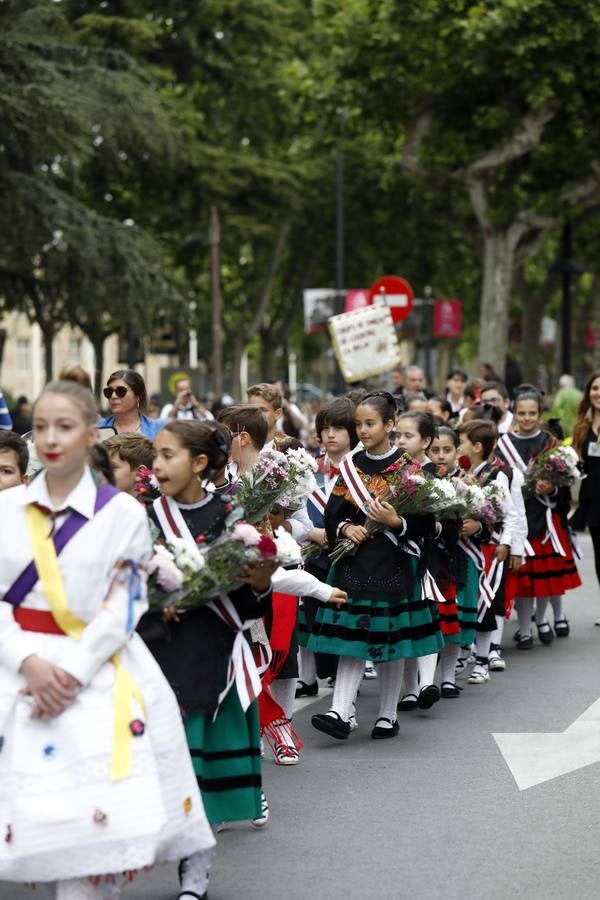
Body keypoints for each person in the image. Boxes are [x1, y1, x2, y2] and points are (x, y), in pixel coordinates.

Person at [0, 380, 214, 899]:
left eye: (66, 426)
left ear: (89, 433)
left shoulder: (121, 513)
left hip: (99, 679)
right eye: (43, 426)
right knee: (37, 831)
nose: (52, 438)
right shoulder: (5, 513)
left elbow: (125, 603)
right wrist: (28, 661)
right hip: (18, 673)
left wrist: (70, 672)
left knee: (92, 841)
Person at [139, 420, 275, 893]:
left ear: (199, 463)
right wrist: (159, 607)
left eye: (169, 455)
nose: (157, 464)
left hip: (213, 655)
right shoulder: (144, 516)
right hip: (158, 655)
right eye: (155, 455)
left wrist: (259, 582)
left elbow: (247, 598)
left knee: (199, 775)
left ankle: (195, 872)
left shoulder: (231, 514)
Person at [308, 391, 443, 741]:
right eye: (359, 424)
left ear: (389, 424)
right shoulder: (350, 467)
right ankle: (339, 709)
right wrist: (344, 528)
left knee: (388, 640)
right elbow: (333, 513)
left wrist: (396, 522)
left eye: (370, 424)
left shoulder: (410, 470)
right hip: (355, 562)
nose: (363, 431)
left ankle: (387, 714)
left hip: (394, 564)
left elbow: (427, 525)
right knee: (353, 638)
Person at [496, 389, 581, 646]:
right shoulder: (503, 444)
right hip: (517, 516)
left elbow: (564, 482)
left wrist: (552, 488)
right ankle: (524, 630)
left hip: (544, 516)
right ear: (515, 414)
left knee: (543, 577)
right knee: (523, 576)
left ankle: (541, 619)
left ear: (539, 413)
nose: (526, 418)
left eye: (532, 413)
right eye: (521, 413)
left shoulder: (549, 442)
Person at [296, 397, 358, 697]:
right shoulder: (306, 469)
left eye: (338, 428)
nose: (330, 434)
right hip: (315, 556)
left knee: (345, 621)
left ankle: (347, 686)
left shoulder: (361, 469)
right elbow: (295, 512)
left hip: (351, 558)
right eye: (325, 428)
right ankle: (322, 673)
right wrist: (312, 533)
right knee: (314, 618)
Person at [457, 419, 526, 682]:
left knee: (487, 600)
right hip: (468, 546)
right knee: (469, 600)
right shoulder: (461, 474)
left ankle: (484, 659)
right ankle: (466, 651)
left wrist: (507, 544)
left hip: (491, 546)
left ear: (476, 446)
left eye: (461, 441)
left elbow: (510, 514)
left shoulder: (498, 475)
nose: (458, 446)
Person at [570, 372, 600, 624]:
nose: (598, 393)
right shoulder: (581, 426)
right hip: (593, 500)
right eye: (595, 388)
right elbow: (578, 464)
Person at [98, 369, 164, 438]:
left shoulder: (158, 429)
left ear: (138, 396)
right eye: (109, 392)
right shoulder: (98, 428)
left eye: (120, 391)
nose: (113, 396)